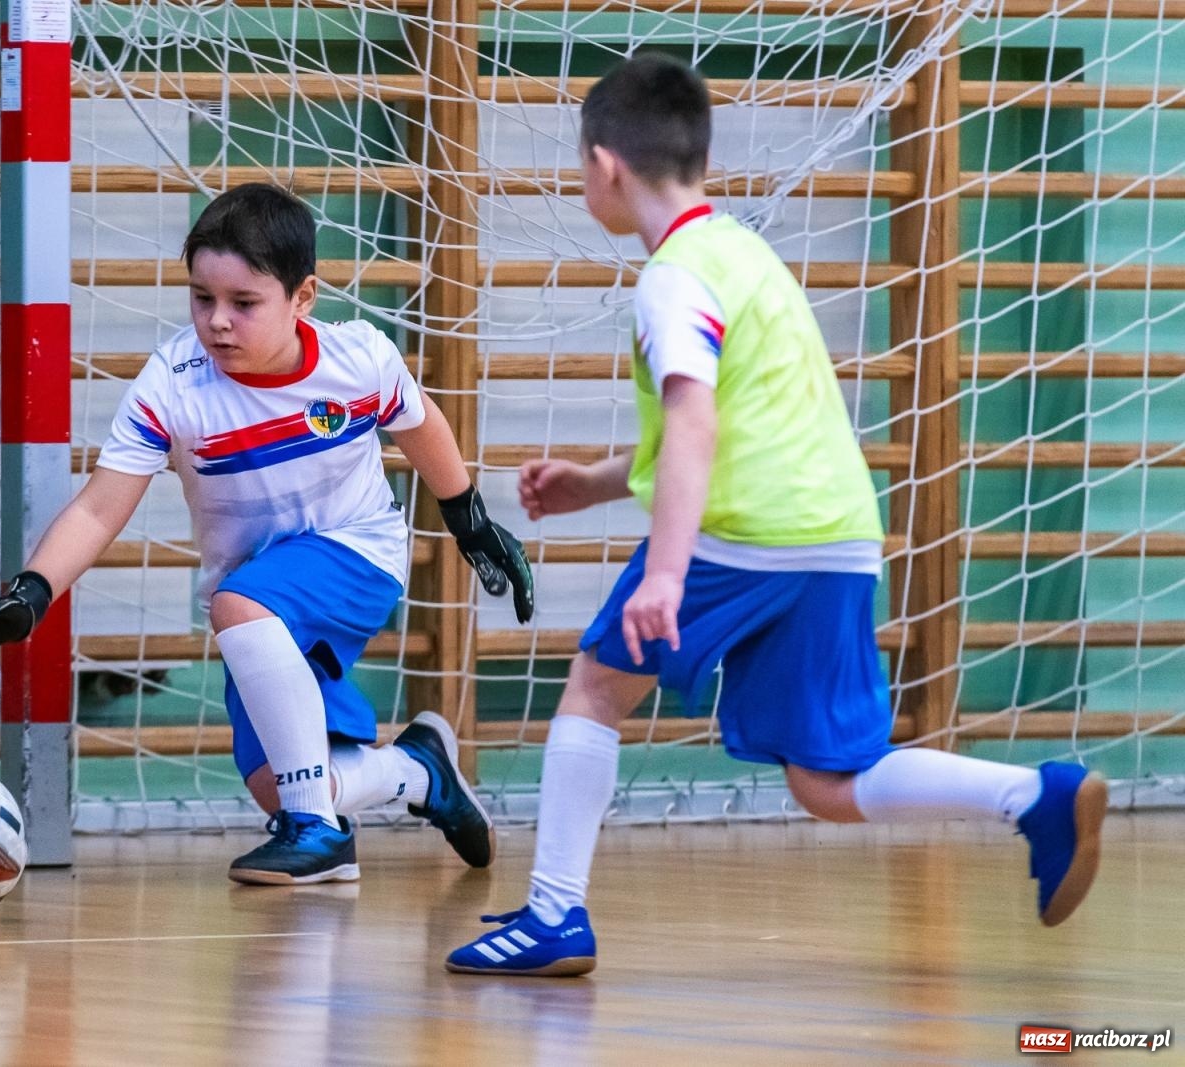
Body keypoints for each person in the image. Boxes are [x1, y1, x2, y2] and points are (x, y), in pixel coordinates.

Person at [444, 53, 1107, 976]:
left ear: (602, 166)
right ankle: (1036, 794)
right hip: (836, 537)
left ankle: (555, 915)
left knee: (595, 687)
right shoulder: (744, 253)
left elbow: (697, 421)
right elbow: (740, 427)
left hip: (742, 541)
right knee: (828, 780)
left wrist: (668, 573)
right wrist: (593, 483)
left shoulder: (671, 278)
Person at [0, 183, 533, 885]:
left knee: (241, 609)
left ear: (303, 297)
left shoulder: (359, 360)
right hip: (260, 597)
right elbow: (100, 507)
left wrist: (469, 519)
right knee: (278, 780)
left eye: (243, 303)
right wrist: (33, 592)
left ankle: (316, 835)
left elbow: (422, 422)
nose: (217, 321)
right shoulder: (173, 386)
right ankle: (419, 772)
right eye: (202, 298)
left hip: (358, 554)